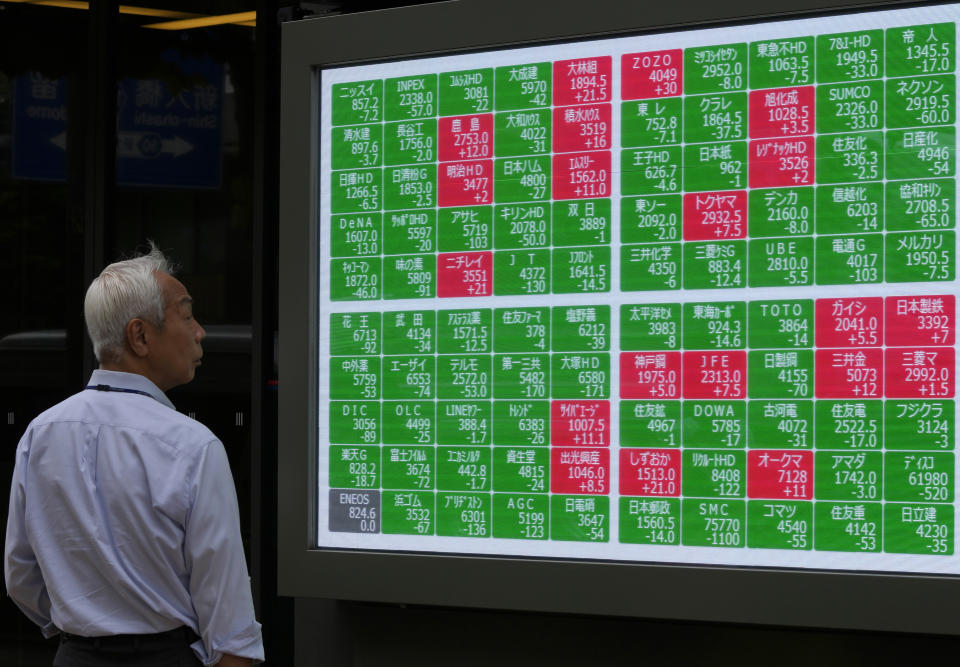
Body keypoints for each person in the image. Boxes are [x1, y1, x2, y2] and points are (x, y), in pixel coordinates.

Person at [4, 244, 264, 666]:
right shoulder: (193, 446)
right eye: (187, 314)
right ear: (140, 336)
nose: (200, 332)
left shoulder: (41, 433)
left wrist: (79, 629)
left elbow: (20, 575)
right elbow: (230, 625)